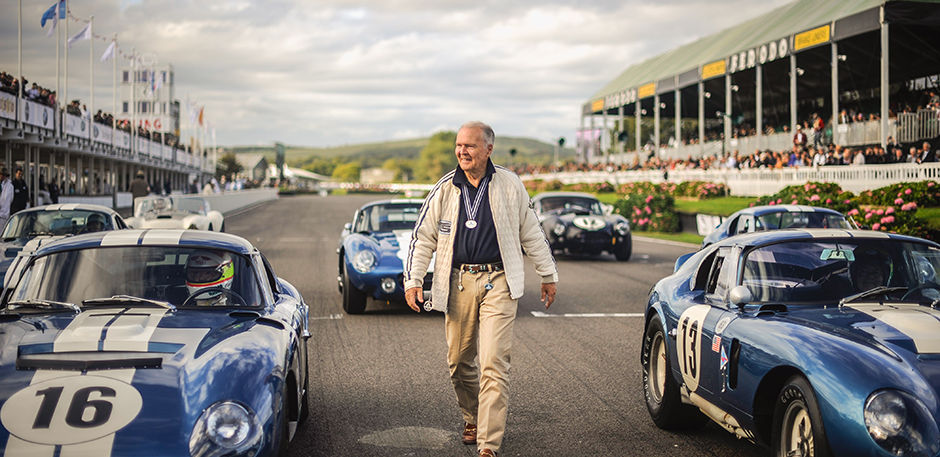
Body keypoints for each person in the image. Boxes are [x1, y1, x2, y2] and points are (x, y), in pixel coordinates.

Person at [404, 121, 558, 457]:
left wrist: (547, 274)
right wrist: (414, 280)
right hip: (458, 281)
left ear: (488, 149)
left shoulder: (510, 184)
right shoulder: (445, 188)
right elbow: (423, 237)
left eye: (470, 146)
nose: (462, 152)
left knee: (493, 362)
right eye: (459, 146)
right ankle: (472, 416)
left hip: (498, 281)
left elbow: (531, 232)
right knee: (459, 362)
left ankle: (489, 444)